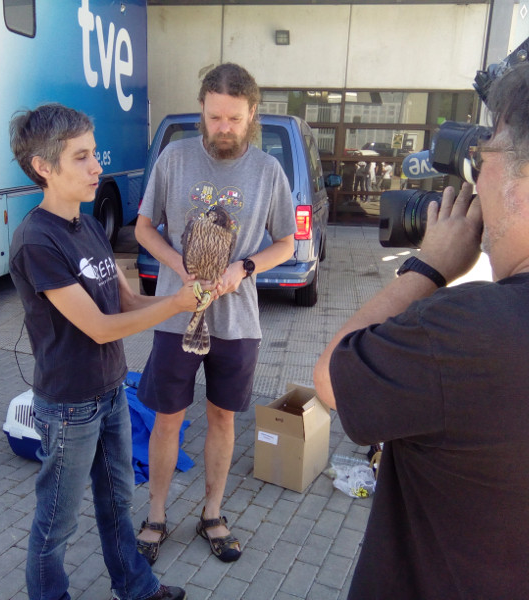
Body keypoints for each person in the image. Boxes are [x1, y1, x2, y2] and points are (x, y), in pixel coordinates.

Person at [314, 47, 529, 598]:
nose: (472, 184)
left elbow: (333, 376)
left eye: (485, 157)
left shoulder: (473, 332)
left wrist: (429, 265)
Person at [9, 103, 205, 600]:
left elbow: (128, 301)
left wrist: (182, 297)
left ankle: (135, 588)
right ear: (44, 168)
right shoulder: (38, 239)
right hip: (69, 404)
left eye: (94, 152)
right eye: (82, 156)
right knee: (56, 522)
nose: (98, 165)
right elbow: (98, 327)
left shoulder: (90, 226)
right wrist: (178, 304)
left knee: (118, 503)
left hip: (112, 392)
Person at [134, 63, 296, 564]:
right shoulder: (175, 158)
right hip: (174, 314)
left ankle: (212, 512)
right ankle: (156, 515)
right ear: (202, 109)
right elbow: (143, 228)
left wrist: (244, 267)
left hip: (237, 320)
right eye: (214, 117)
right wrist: (178, 265)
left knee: (224, 417)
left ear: (252, 115)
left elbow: (288, 243)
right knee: (167, 420)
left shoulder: (268, 171)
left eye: (233, 118)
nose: (222, 128)